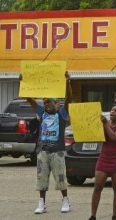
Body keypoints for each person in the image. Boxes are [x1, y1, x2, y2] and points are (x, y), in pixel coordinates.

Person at [24, 72, 72, 214]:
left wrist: (68, 82)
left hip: (57, 151)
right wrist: (23, 84)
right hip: (43, 151)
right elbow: (29, 99)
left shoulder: (62, 114)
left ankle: (65, 200)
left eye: (48, 102)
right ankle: (42, 203)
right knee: (41, 178)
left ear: (56, 103)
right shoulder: (42, 113)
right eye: (44, 102)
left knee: (60, 178)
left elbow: (69, 98)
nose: (46, 104)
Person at [88, 104, 116, 220]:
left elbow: (114, 137)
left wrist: (105, 123)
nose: (112, 112)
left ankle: (114, 215)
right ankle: (93, 215)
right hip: (104, 158)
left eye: (115, 110)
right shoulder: (103, 123)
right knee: (97, 187)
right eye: (111, 110)